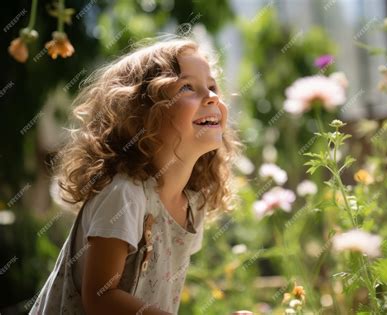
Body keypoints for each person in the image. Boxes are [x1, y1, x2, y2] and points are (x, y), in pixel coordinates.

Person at [30, 38, 242, 314]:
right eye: (187, 86)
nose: (212, 96)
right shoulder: (125, 194)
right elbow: (100, 299)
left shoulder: (192, 203)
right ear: (143, 115)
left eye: (212, 87)